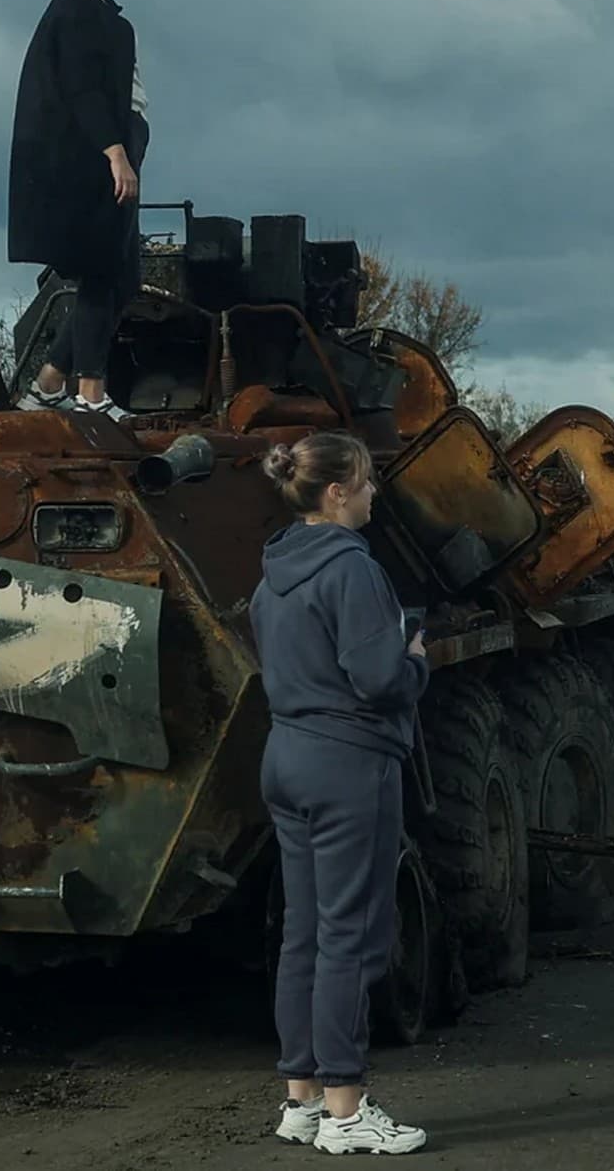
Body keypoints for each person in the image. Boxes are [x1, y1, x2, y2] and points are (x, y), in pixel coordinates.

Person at [250, 431, 429, 1156]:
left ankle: (301, 1098)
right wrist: (414, 662)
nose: (375, 492)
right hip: (348, 763)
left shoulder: (274, 572)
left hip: (286, 755)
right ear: (336, 493)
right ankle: (348, 1113)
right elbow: (378, 679)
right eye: (367, 481)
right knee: (352, 935)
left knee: (306, 931)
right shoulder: (351, 568)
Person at [6, 0, 149, 422]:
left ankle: (47, 384)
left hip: (109, 152)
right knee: (101, 272)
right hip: (94, 159)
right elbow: (83, 90)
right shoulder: (78, 13)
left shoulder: (96, 13)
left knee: (122, 279)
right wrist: (115, 152)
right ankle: (91, 394)